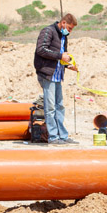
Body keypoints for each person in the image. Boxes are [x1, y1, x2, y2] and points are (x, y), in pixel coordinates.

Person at [33, 13, 79, 144]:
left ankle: (62, 136)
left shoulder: (63, 36)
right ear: (63, 23)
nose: (69, 31)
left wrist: (68, 65)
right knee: (50, 107)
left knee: (60, 106)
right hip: (47, 74)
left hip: (58, 75)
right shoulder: (48, 31)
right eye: (69, 28)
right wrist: (60, 56)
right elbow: (41, 50)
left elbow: (62, 57)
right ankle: (53, 137)